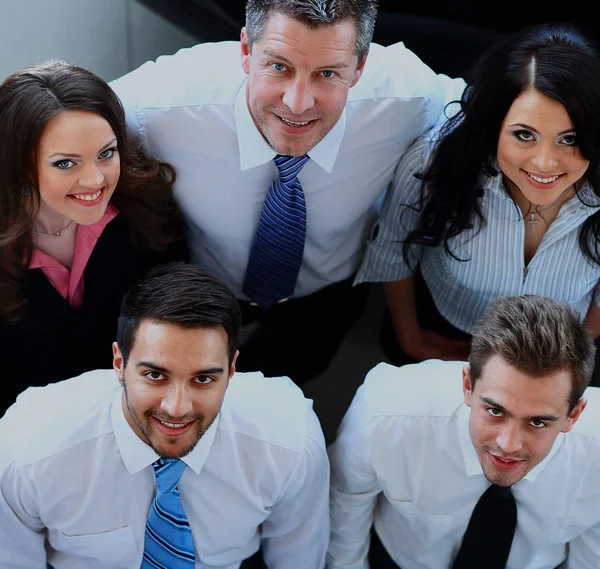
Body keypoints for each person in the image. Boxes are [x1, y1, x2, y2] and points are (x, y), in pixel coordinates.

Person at [109, 0, 466, 385]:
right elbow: (55, 117)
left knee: (288, 385)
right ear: (245, 51)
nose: (298, 103)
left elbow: (499, 110)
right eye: (279, 67)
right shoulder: (162, 104)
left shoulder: (409, 99)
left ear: (361, 67)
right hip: (201, 280)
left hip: (326, 297)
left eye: (327, 73)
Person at [0, 262, 330, 569]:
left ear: (231, 372)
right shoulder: (28, 450)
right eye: (155, 375)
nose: (176, 407)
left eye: (203, 379)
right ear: (119, 363)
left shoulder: (291, 442)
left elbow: (298, 559)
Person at [355, 22, 600, 382]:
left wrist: (582, 345)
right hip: (445, 331)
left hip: (561, 349)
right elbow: (394, 249)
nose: (546, 163)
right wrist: (410, 338)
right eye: (524, 135)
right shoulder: (435, 163)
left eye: (570, 139)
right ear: (493, 124)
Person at [327, 294, 600, 569]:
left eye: (538, 422)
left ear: (573, 415)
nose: (508, 444)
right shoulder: (385, 415)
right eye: (495, 411)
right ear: (468, 386)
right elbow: (346, 503)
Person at [0, 59, 188, 415]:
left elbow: (176, 329)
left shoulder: (146, 209)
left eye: (106, 154)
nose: (96, 181)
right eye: (65, 163)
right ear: (20, 165)